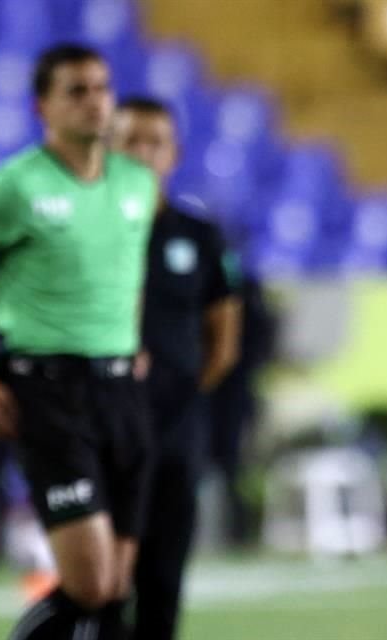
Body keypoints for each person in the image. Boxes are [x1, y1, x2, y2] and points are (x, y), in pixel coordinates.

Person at [0, 44, 158, 639]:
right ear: (43, 107)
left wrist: (129, 338)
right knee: (89, 581)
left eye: (101, 88)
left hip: (122, 392)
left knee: (113, 590)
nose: (94, 101)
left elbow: (123, 271)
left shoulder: (137, 184)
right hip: (49, 393)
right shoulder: (16, 186)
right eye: (76, 91)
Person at [110, 97, 242, 640]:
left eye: (155, 141)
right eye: (131, 140)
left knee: (163, 582)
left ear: (175, 153)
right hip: (105, 428)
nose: (143, 152)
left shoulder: (201, 236)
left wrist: (176, 396)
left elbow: (223, 343)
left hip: (176, 432)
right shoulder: (88, 232)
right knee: (102, 584)